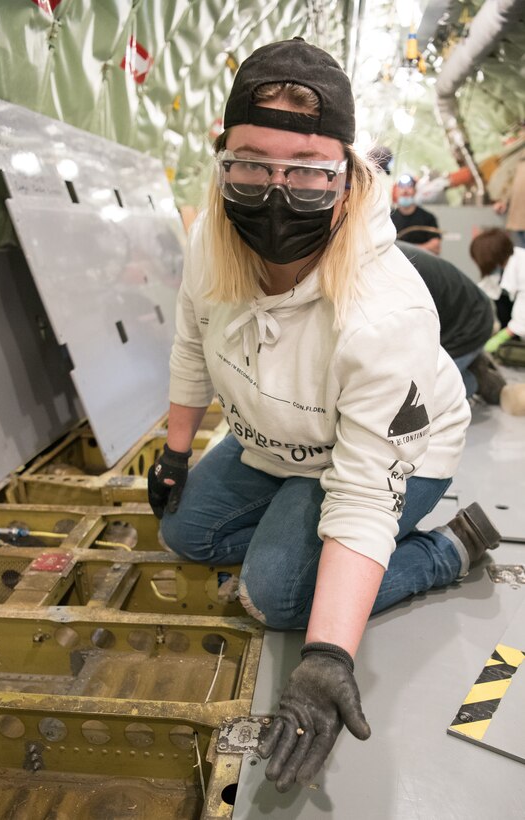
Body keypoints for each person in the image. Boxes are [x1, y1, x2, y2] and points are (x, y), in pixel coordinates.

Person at [148, 39, 500, 793]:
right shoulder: (213, 243)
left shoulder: (385, 311)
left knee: (275, 596)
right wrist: (175, 453)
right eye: (250, 163)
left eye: (306, 168)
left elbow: (367, 489)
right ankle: (293, 519)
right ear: (223, 161)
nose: (276, 192)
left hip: (379, 456)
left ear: (345, 176)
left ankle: (446, 552)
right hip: (274, 442)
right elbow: (189, 348)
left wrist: (328, 656)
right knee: (184, 533)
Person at [397, 241, 505, 403]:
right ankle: (468, 364)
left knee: (416, 403)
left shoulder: (388, 266)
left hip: (472, 322)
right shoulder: (384, 250)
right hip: (454, 315)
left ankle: (475, 379)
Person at [391, 174, 442, 255]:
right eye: (401, 187)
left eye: (409, 187)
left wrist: (408, 251)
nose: (405, 190)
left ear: (415, 191)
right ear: (396, 191)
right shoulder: (389, 217)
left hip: (420, 265)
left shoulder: (427, 218)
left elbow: (435, 247)